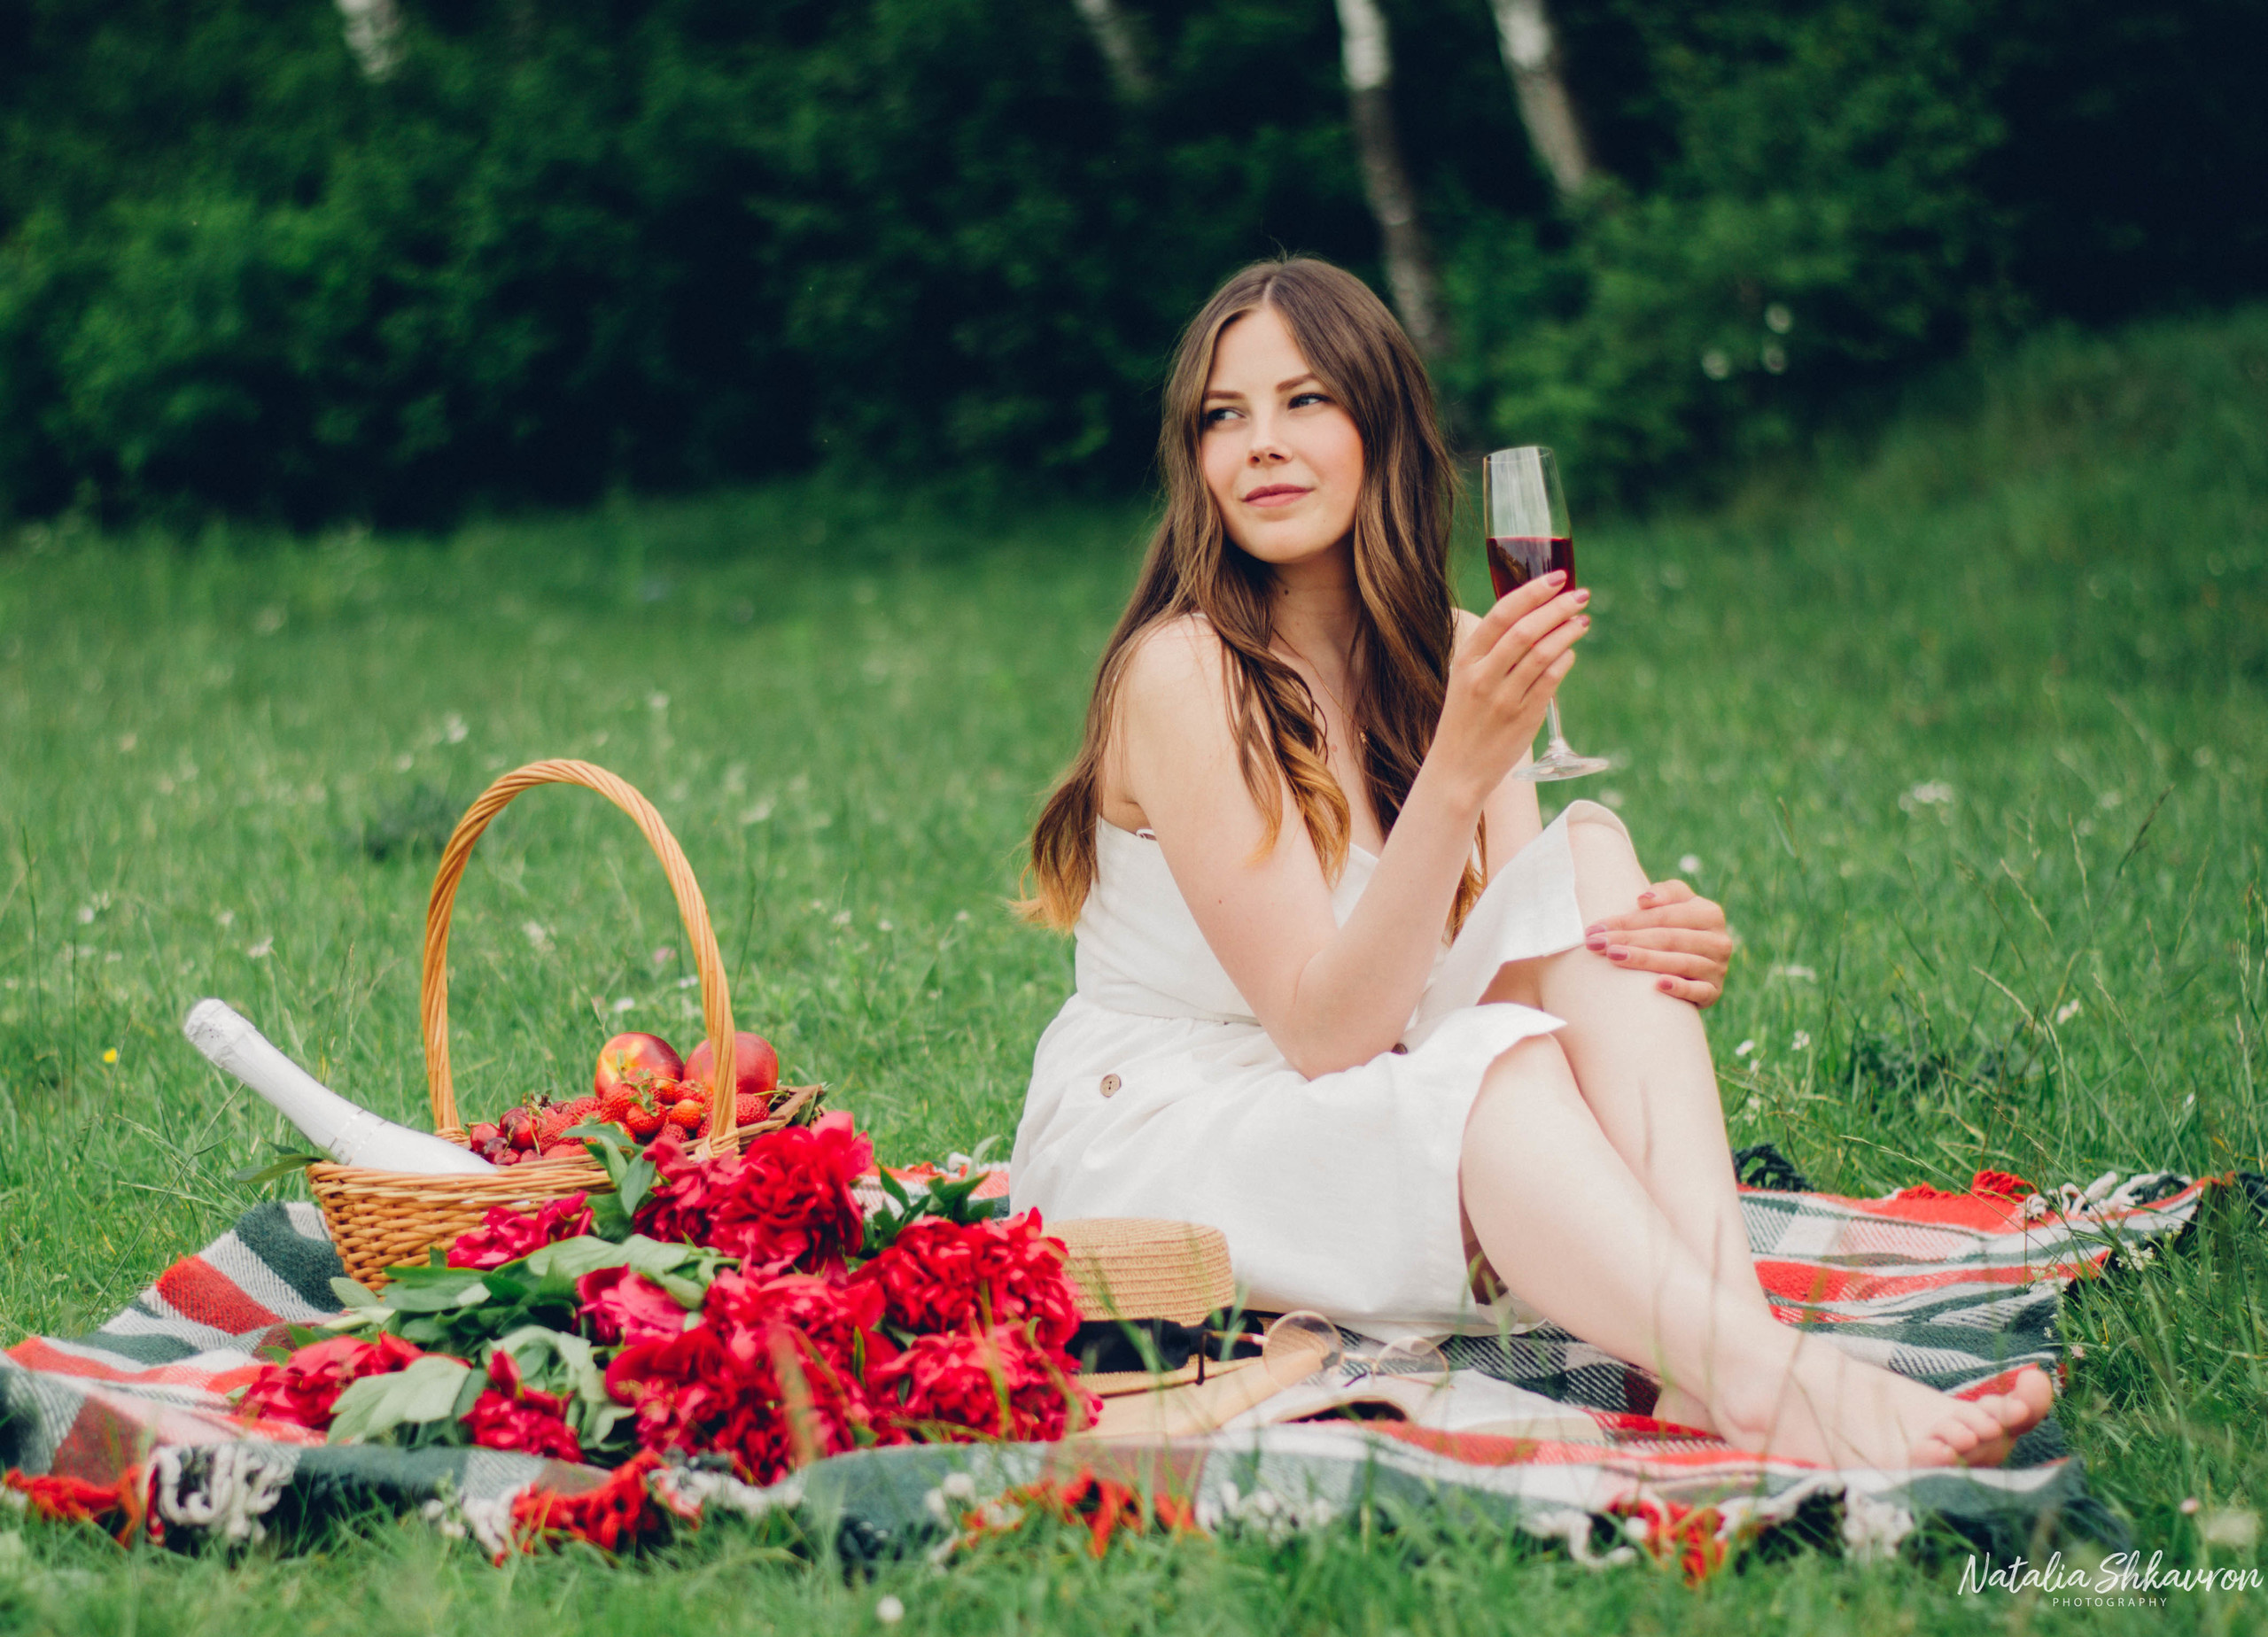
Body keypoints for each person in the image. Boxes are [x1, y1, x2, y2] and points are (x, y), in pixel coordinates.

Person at [1010, 257, 2050, 1468]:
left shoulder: (1457, 651)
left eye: (1306, 402)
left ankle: (1712, 1362)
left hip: (1359, 1077)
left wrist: (1646, 957)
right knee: (1496, 1068)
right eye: (1223, 418)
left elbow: (1496, 977)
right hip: (1172, 1130)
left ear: (1383, 427)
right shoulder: (1187, 676)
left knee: (1594, 854)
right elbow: (1323, 1032)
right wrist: (1462, 769)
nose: (1262, 446)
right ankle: (1774, 1381)